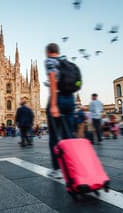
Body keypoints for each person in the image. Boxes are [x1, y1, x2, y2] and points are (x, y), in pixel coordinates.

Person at [45, 43, 77, 178]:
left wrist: (53, 104)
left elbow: (52, 81)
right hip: (70, 100)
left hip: (58, 99)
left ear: (48, 51)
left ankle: (57, 169)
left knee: (54, 135)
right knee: (69, 135)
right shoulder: (66, 62)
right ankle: (75, 166)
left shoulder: (50, 61)